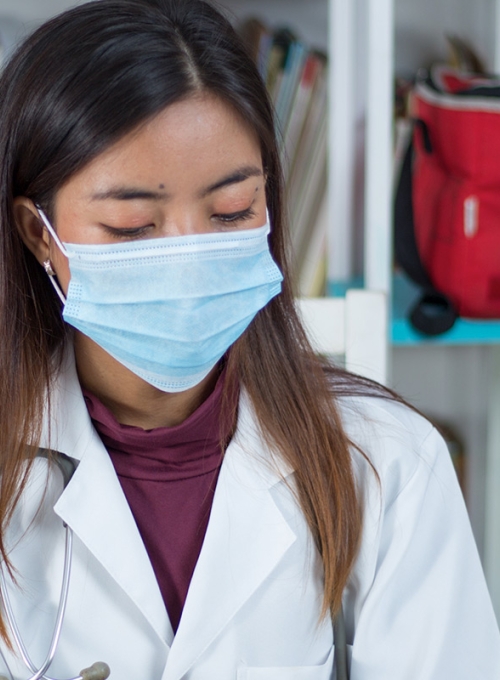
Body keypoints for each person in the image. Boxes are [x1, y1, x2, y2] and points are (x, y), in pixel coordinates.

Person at [0, 1, 498, 678]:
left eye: (233, 211)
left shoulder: (389, 462)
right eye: (131, 225)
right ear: (39, 235)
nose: (190, 255)